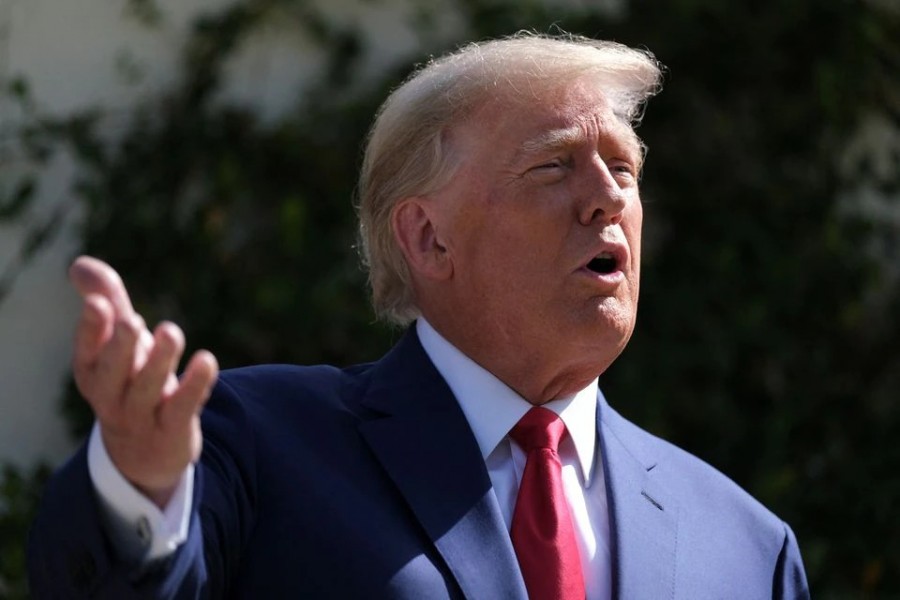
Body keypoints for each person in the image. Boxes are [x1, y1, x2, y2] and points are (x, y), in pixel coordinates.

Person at [28, 33, 810, 599]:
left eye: (625, 169)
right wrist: (140, 486)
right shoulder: (259, 442)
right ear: (429, 237)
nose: (608, 196)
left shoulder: (747, 545)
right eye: (554, 164)